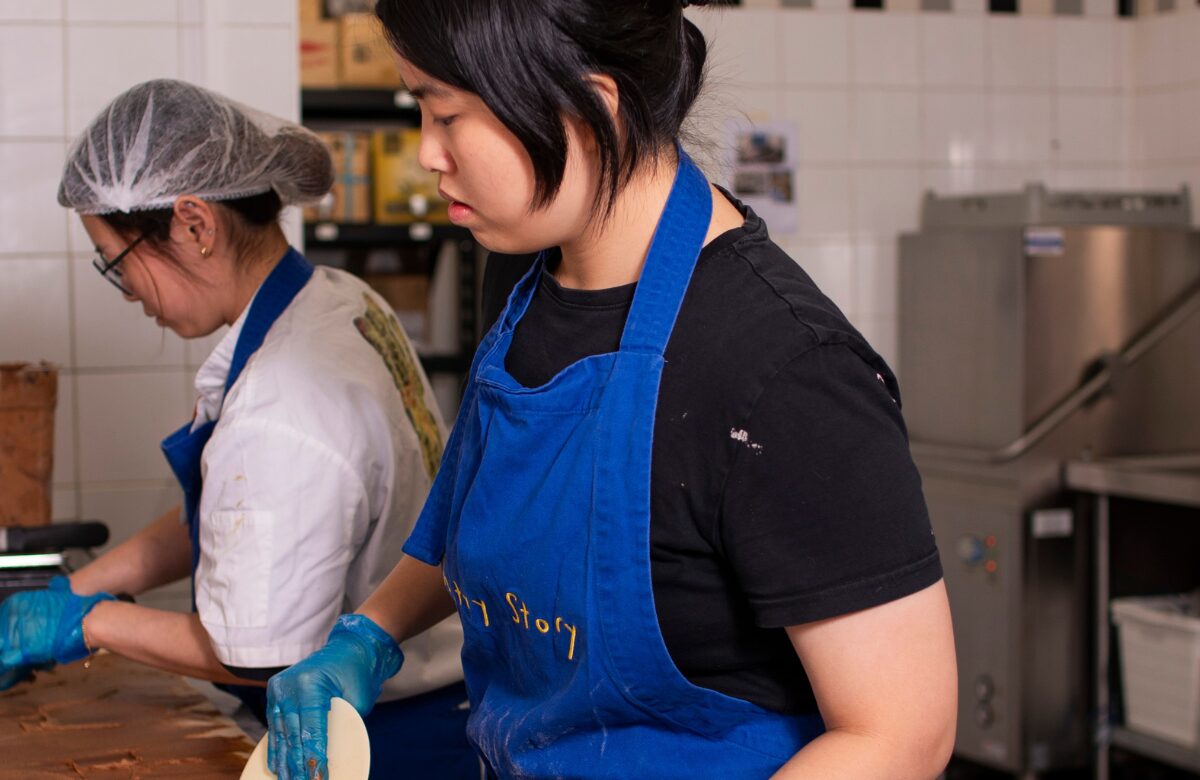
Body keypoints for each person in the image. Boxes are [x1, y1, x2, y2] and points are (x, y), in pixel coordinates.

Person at [267, 1, 958, 778]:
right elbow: (490, 513)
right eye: (419, 109)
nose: (427, 153)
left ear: (591, 108)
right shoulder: (524, 276)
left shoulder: (786, 371)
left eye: (448, 114)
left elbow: (901, 734)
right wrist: (370, 635)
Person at [0, 79, 480, 779]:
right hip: (437, 700)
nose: (127, 292)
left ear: (196, 225)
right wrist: (77, 589)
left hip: (379, 737)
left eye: (117, 263)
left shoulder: (280, 404)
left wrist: (83, 625)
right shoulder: (336, 299)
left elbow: (260, 657)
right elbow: (243, 517)